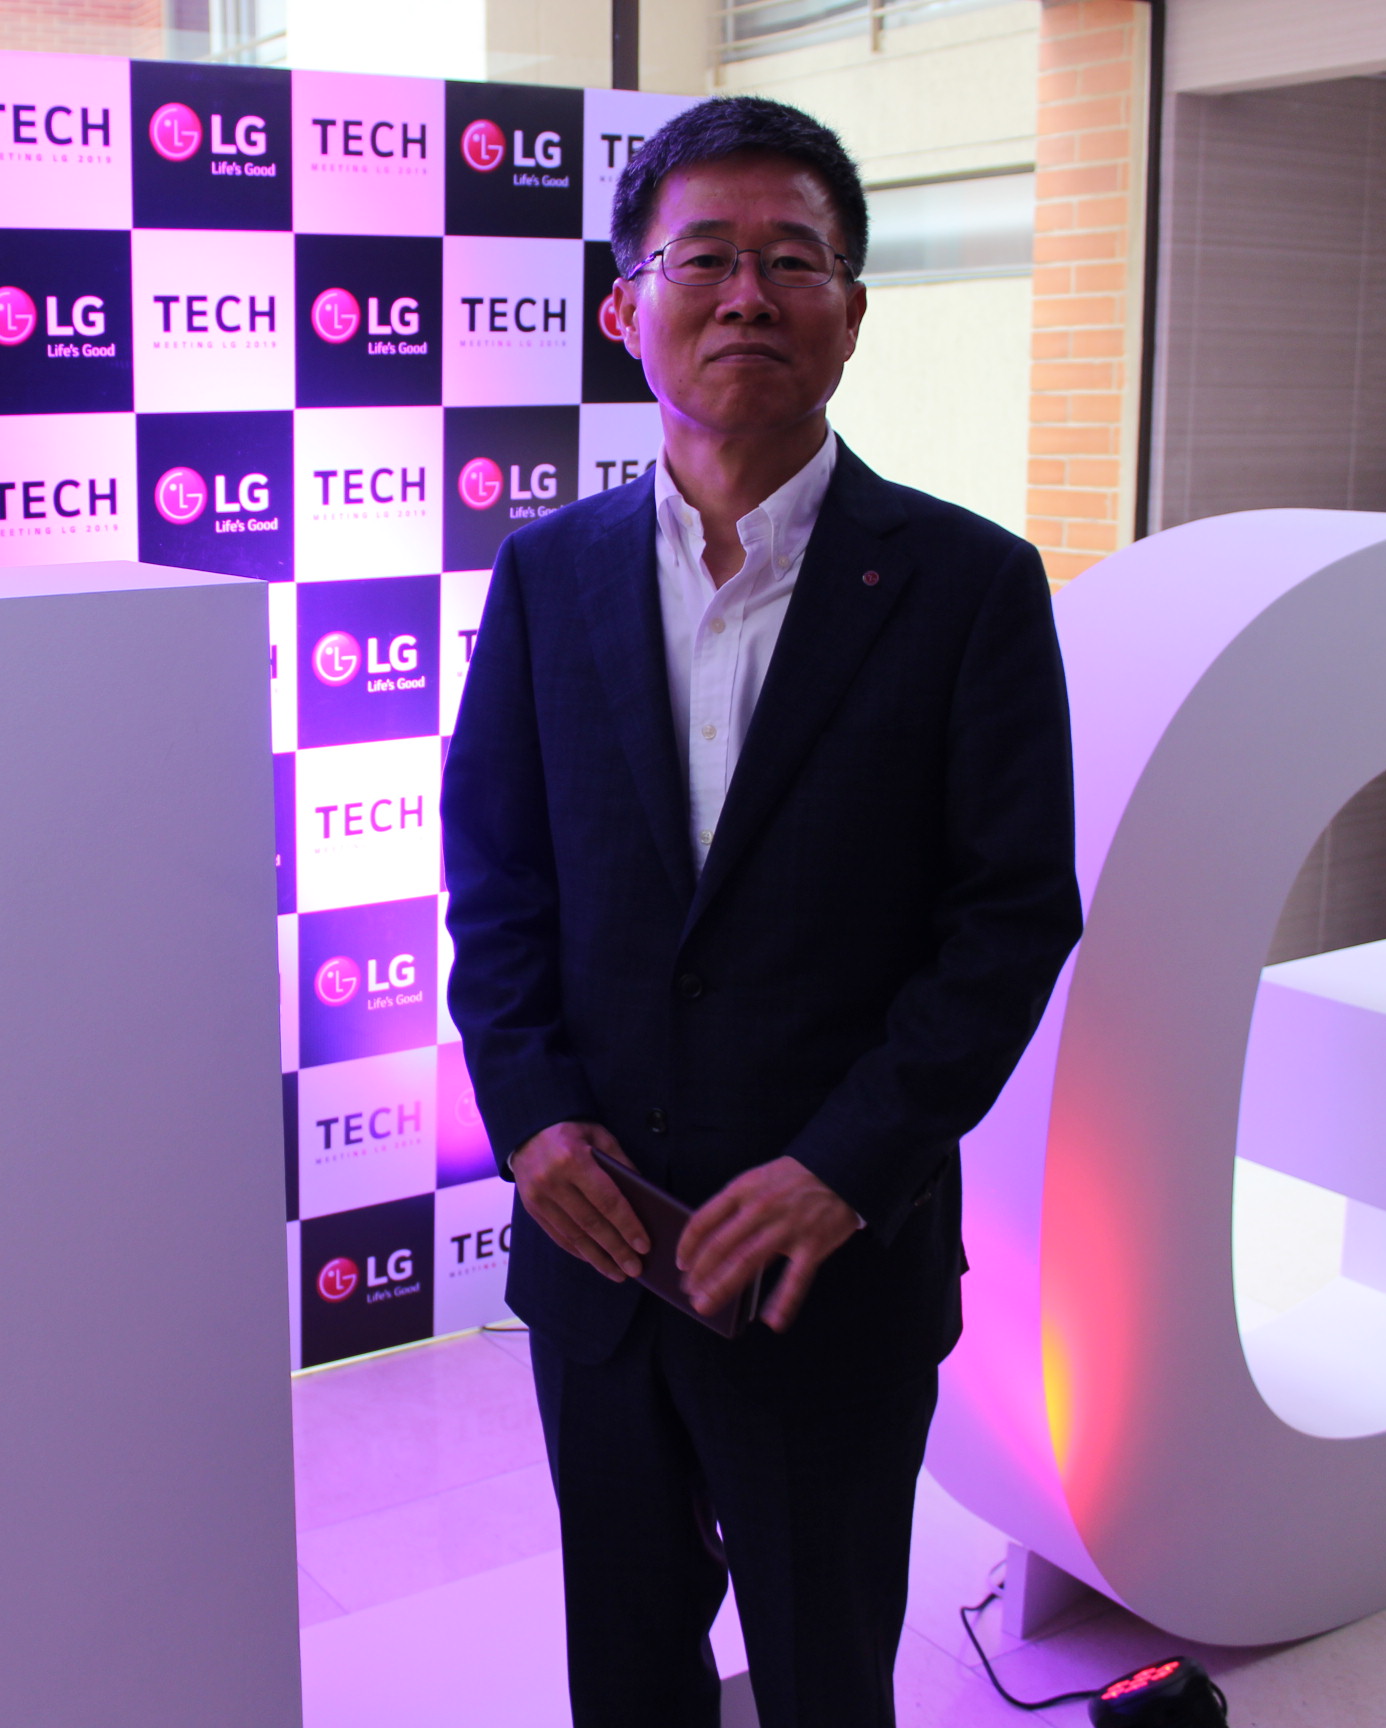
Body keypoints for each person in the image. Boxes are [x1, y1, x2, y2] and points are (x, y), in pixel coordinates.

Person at [441, 97, 1081, 1728]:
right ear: (624, 307)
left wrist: (841, 1168)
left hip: (829, 1269)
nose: (746, 295)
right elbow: (497, 886)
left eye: (792, 259)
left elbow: (1009, 919)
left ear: (851, 311)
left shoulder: (968, 587)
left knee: (821, 1674)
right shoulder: (545, 577)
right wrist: (532, 1121)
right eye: (703, 257)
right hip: (600, 1249)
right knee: (625, 1669)